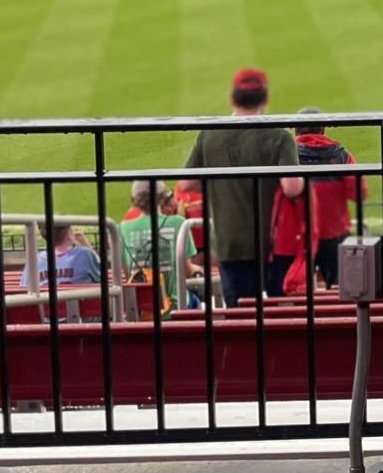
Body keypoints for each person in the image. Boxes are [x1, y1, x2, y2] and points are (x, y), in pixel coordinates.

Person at [183, 68, 305, 308]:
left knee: (240, 313)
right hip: (273, 242)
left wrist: (221, 182)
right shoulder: (279, 135)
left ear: (232, 98)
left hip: (230, 240)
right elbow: (292, 188)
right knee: (281, 315)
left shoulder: (210, 134)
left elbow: (187, 183)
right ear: (265, 98)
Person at [271, 108, 366, 292]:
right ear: (323, 129)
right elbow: (358, 193)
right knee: (342, 292)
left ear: (295, 130)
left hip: (295, 236)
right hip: (334, 235)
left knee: (292, 291)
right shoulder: (342, 156)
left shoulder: (285, 155)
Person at [119, 179, 201, 309]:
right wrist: (200, 270)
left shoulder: (122, 228)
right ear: (163, 197)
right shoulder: (179, 223)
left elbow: (128, 273)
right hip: (176, 306)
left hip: (141, 309)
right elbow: (187, 271)